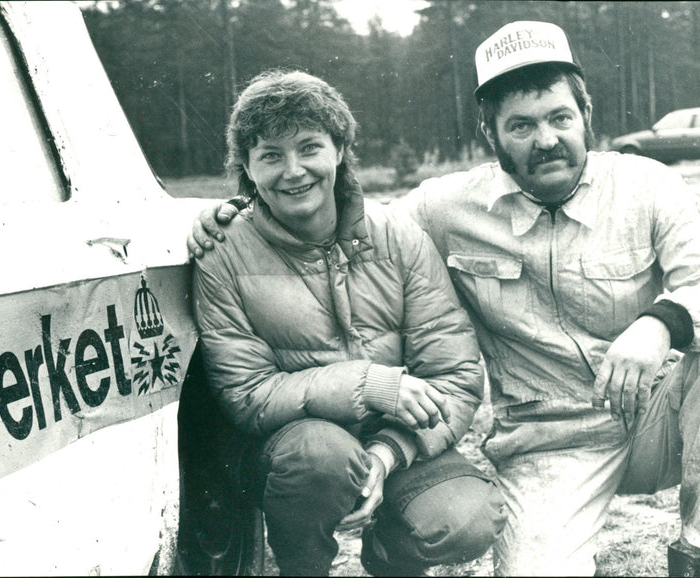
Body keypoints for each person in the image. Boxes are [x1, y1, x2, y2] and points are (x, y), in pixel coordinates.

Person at [188, 22, 700, 578]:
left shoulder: (650, 185)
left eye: (561, 117)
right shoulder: (443, 209)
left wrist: (660, 325)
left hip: (658, 419)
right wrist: (230, 214)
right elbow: (339, 216)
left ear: (587, 113)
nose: (546, 139)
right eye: (521, 125)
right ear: (491, 135)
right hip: (546, 445)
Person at [190, 69, 506, 576]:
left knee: (466, 518)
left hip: (395, 440)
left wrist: (385, 455)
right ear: (246, 167)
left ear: (340, 148)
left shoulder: (399, 237)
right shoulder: (222, 252)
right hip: (290, 452)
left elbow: (456, 378)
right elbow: (247, 395)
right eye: (270, 155)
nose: (293, 171)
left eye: (309, 147)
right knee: (321, 456)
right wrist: (367, 383)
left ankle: (389, 559)